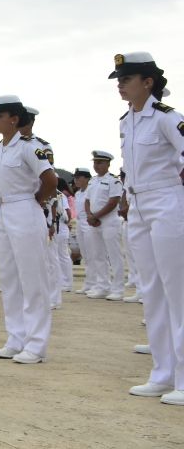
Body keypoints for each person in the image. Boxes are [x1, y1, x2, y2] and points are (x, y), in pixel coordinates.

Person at [109, 52, 184, 404]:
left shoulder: (168, 119)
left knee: (177, 290)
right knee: (151, 290)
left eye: (127, 78)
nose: (121, 84)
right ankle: (162, 372)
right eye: (119, 79)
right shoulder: (127, 120)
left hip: (167, 201)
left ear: (148, 82)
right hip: (138, 205)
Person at [0, 95, 57, 365]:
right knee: (10, 279)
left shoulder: (29, 147)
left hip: (25, 209)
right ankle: (15, 339)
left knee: (32, 279)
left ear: (14, 118)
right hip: (3, 212)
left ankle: (36, 344)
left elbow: (50, 180)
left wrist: (36, 200)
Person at [84, 150, 125, 301]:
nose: (97, 165)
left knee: (114, 255)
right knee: (98, 255)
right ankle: (102, 286)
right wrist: (90, 215)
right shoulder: (92, 181)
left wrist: (96, 216)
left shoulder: (114, 181)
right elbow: (87, 200)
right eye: (95, 162)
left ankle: (118, 289)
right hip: (95, 222)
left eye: (100, 162)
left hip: (109, 221)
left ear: (108, 164)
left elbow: (113, 202)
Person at [72, 168, 92, 293]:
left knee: (93, 254)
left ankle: (97, 283)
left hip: (89, 222)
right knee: (85, 255)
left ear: (86, 178)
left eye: (78, 178)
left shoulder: (91, 191)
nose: (76, 180)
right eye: (75, 178)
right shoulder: (78, 193)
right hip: (80, 222)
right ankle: (89, 283)